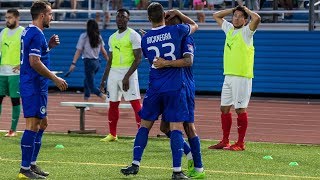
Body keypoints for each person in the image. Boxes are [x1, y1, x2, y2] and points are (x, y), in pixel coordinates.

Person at [120, 3, 198, 179]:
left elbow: (151, 60)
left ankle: (135, 164)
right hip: (174, 87)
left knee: (145, 125)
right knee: (175, 127)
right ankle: (177, 171)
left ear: (148, 18)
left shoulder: (145, 39)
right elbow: (195, 25)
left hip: (155, 87)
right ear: (164, 15)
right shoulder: (177, 30)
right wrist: (179, 13)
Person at [18, 1, 68, 179]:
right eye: (50, 14)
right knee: (32, 125)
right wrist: (55, 78)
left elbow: (36, 55)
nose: (51, 17)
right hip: (33, 85)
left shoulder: (30, 31)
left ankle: (31, 164)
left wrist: (49, 46)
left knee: (43, 124)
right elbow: (34, 61)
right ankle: (24, 170)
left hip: (37, 85)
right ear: (42, 16)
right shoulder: (36, 34)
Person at [154, 15, 205, 179]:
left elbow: (188, 61)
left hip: (184, 86)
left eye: (169, 20)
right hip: (170, 87)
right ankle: (188, 153)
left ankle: (198, 169)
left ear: (178, 24)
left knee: (188, 127)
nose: (166, 23)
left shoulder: (185, 38)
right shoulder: (170, 38)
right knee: (164, 128)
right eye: (165, 20)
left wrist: (166, 63)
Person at [208, 6, 261, 151]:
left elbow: (257, 18)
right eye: (235, 16)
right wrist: (233, 9)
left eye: (240, 16)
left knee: (240, 109)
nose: (236, 18)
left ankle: (240, 143)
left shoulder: (247, 32)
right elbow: (216, 15)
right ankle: (225, 141)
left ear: (245, 20)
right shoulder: (229, 29)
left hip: (242, 77)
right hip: (228, 76)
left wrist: (246, 9)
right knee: (224, 108)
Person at [99, 8, 142, 142]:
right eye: (118, 17)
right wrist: (103, 80)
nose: (120, 19)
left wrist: (127, 76)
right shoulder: (112, 37)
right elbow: (110, 60)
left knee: (135, 104)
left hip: (128, 72)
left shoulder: (133, 35)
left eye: (123, 17)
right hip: (114, 73)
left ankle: (141, 135)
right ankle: (112, 134)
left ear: (128, 19)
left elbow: (138, 58)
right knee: (113, 104)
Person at [69, 19, 108, 110]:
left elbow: (78, 51)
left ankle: (105, 97)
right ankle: (86, 103)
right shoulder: (99, 37)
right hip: (97, 63)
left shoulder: (84, 36)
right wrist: (109, 61)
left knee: (90, 85)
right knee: (86, 82)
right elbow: (103, 51)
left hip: (89, 63)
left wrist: (73, 63)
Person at [0, 9, 24, 137]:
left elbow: (26, 51)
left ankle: (12, 130)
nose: (7, 20)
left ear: (16, 18)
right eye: (6, 18)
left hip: (15, 73)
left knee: (15, 101)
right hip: (1, 72)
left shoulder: (22, 32)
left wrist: (22, 64)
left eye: (9, 17)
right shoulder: (3, 32)